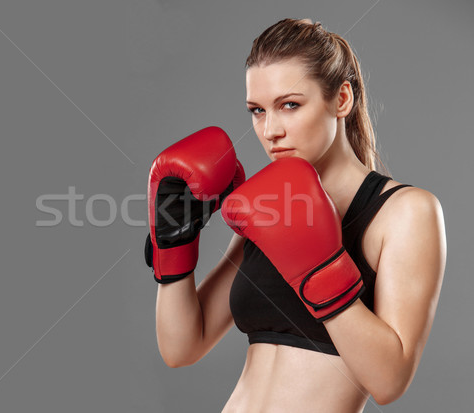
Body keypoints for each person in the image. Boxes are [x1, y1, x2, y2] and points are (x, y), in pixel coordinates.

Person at [145, 18, 446, 412]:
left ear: (341, 99)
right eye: (257, 110)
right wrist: (175, 246)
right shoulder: (268, 207)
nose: (270, 130)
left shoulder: (404, 212)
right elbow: (181, 348)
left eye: (290, 105)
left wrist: (321, 272)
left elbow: (389, 381)